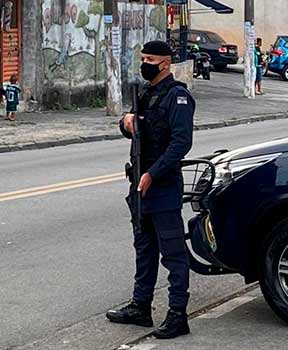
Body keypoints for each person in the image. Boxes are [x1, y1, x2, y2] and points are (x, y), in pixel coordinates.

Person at [106, 40, 195, 340]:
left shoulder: (178, 97)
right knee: (144, 250)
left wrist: (153, 174)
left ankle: (177, 314)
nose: (145, 63)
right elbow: (133, 128)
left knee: (173, 253)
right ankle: (140, 307)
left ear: (166, 63)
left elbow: (181, 144)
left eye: (150, 59)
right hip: (139, 186)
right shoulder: (144, 93)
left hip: (163, 186)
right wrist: (126, 122)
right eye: (142, 57)